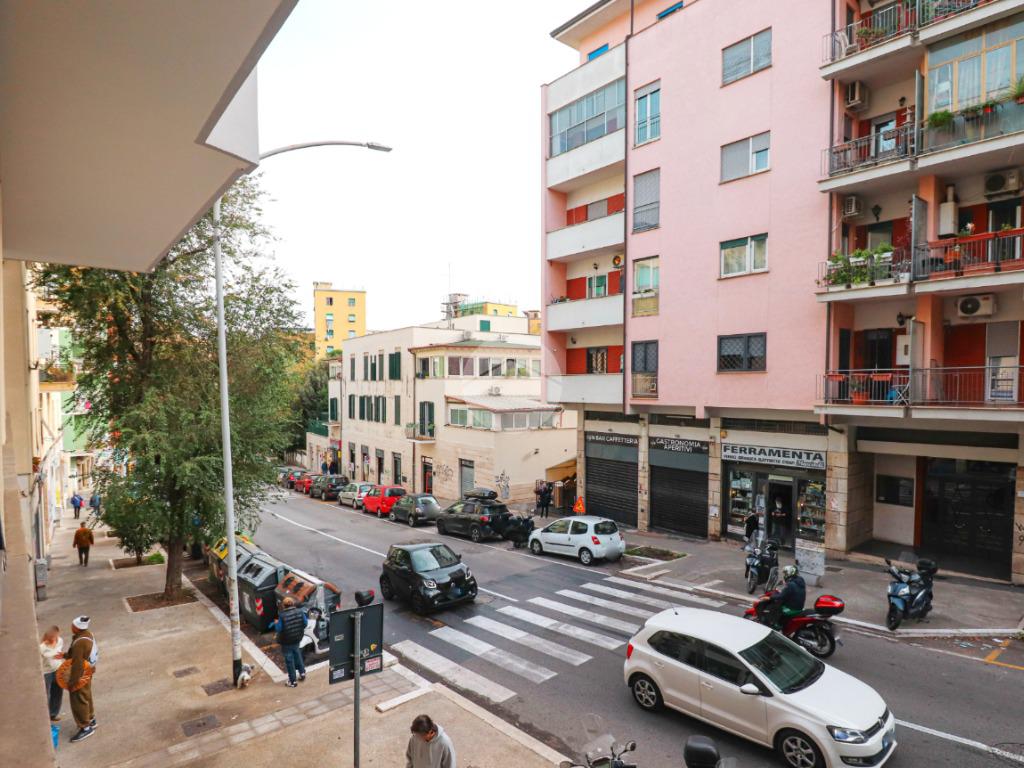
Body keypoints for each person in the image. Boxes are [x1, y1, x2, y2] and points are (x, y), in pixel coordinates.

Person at [67, 616, 98, 743]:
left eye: (72, 625)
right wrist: (65, 655)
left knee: (79, 700)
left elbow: (77, 665)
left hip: (81, 674)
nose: (71, 627)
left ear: (76, 628)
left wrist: (72, 682)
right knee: (86, 695)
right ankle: (91, 719)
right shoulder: (88, 634)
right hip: (89, 671)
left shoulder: (80, 642)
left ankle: (85, 727)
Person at [272, 596, 307, 687]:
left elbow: (279, 629)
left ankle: (293, 681)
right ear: (293, 604)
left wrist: (276, 623)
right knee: (297, 655)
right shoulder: (300, 612)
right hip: (297, 638)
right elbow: (305, 623)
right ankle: (302, 673)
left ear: (284, 605)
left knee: (289, 660)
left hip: (286, 641)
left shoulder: (282, 615)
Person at [40, 626, 64, 722]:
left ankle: (53, 714)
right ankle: (44, 716)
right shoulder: (42, 647)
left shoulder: (60, 641)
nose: (53, 639)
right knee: (45, 694)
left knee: (58, 692)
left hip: (58, 669)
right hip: (47, 672)